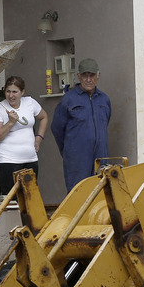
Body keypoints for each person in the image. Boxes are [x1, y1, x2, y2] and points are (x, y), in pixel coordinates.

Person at [51, 57, 112, 191]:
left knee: (102, 194)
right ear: (78, 76)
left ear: (98, 76)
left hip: (101, 157)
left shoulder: (104, 99)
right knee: (78, 195)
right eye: (85, 75)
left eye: (92, 75)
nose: (89, 79)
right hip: (77, 159)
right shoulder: (68, 99)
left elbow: (105, 123)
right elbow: (57, 128)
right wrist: (69, 150)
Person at [0, 76, 48, 193]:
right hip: (8, 161)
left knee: (31, 198)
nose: (11, 96)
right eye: (8, 91)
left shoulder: (30, 102)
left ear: (22, 92)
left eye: (15, 92)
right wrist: (10, 123)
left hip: (30, 159)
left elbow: (44, 117)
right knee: (12, 201)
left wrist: (39, 138)